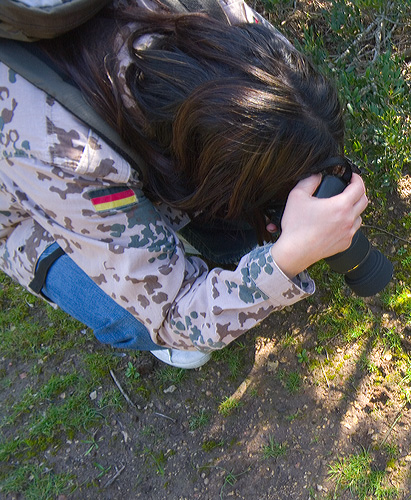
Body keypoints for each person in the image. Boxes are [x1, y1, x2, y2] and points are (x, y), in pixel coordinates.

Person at [0, 0, 368, 368]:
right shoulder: (67, 152)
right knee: (162, 332)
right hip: (32, 210)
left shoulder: (214, 13)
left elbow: (285, 90)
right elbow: (173, 312)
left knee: (239, 243)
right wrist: (286, 259)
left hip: (139, 144)